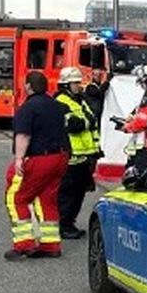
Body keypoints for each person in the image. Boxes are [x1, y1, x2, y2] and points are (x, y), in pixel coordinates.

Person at [4, 72, 70, 260]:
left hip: (39, 158)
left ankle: (23, 244)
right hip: (60, 157)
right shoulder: (57, 106)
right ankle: (50, 245)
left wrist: (19, 159)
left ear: (28, 87)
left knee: (16, 197)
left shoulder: (28, 108)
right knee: (46, 199)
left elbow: (23, 135)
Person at [54, 67, 101, 240]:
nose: (79, 86)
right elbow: (74, 125)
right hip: (72, 157)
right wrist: (86, 121)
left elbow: (91, 119)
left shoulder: (80, 101)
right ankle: (63, 224)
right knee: (68, 193)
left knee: (79, 192)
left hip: (86, 156)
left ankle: (69, 222)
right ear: (66, 84)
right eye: (75, 83)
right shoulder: (60, 101)